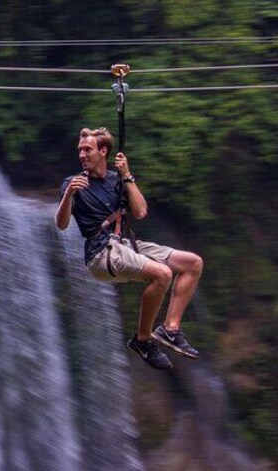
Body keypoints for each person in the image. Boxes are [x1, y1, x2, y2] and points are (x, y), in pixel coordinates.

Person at [55, 127, 203, 370]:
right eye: (80, 150)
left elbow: (141, 212)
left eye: (87, 150)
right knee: (162, 274)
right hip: (102, 253)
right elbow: (61, 225)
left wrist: (127, 175)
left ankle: (170, 329)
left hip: (127, 243)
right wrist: (69, 194)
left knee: (193, 263)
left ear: (103, 151)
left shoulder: (116, 179)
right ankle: (143, 340)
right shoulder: (73, 183)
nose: (82, 155)